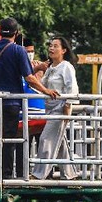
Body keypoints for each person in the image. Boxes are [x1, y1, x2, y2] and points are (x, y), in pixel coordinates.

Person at [0, 17, 55, 181]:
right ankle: (6, 175)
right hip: (10, 102)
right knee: (8, 139)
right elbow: (29, 77)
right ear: (16, 33)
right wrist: (46, 90)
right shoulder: (18, 50)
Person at [32, 36, 79, 180]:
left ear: (63, 50)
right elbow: (42, 87)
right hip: (50, 108)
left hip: (61, 107)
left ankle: (39, 174)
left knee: (46, 138)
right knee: (59, 141)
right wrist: (36, 70)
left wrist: (67, 107)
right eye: (50, 45)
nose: (51, 48)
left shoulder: (66, 67)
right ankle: (70, 174)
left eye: (55, 46)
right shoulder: (50, 68)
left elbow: (72, 89)